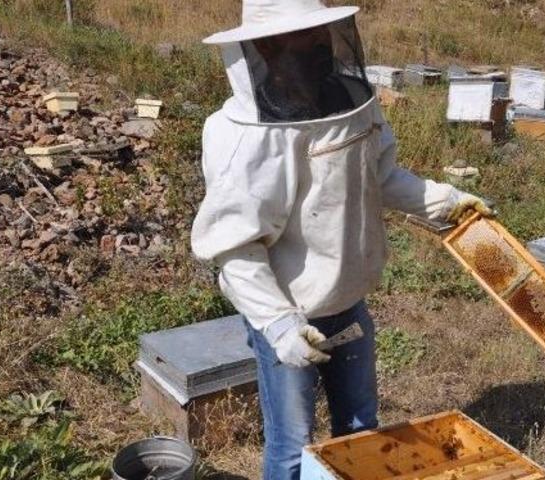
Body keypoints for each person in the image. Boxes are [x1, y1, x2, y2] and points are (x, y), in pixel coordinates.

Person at [191, 1, 492, 479]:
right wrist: (279, 326)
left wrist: (444, 201)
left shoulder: (351, 101)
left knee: (361, 432)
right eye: (301, 38)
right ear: (265, 46)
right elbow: (235, 250)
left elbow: (381, 176)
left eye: (320, 34)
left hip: (348, 305)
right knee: (293, 446)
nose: (317, 46)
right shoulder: (246, 137)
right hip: (289, 315)